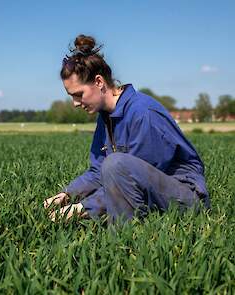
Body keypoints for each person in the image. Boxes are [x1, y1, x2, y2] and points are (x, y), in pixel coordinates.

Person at [43, 34, 210, 223]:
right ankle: (121, 238)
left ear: (99, 82)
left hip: (185, 198)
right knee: (112, 166)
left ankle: (123, 242)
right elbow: (98, 171)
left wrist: (81, 208)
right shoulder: (105, 116)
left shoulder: (142, 113)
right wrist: (66, 195)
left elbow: (129, 179)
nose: (74, 103)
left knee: (115, 164)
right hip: (152, 191)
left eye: (78, 94)